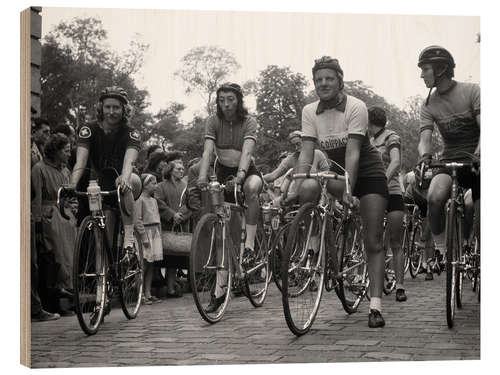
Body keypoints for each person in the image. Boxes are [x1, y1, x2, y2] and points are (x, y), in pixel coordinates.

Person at [296, 57, 388, 328]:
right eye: (318, 80)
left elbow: (353, 151)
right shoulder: (310, 111)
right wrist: (300, 177)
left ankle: (375, 305)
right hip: (338, 173)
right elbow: (307, 151)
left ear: (339, 80)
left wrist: (349, 188)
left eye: (329, 79)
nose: (323, 84)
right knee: (310, 185)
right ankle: (316, 243)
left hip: (368, 174)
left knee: (373, 240)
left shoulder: (356, 106)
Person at [197, 82, 263, 313]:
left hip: (246, 171)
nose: (226, 104)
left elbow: (247, 152)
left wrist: (242, 176)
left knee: (252, 189)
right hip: (223, 171)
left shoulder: (249, 121)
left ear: (239, 101)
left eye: (231, 99)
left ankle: (251, 244)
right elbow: (207, 151)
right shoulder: (213, 121)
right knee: (223, 235)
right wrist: (203, 175)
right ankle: (219, 291)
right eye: (222, 99)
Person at [416, 46, 480, 267]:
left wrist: (480, 154)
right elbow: (425, 137)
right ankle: (444, 251)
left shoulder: (472, 91)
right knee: (434, 197)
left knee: (479, 205)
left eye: (425, 69)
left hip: (476, 158)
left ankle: (472, 243)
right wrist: (425, 156)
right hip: (449, 159)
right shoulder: (429, 104)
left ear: (441, 69)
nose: (422, 74)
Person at [70, 86, 142, 253]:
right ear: (101, 107)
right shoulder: (88, 129)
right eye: (107, 107)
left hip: (128, 180)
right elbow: (80, 161)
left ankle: (129, 238)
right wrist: (72, 184)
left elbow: (129, 161)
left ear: (124, 110)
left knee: (122, 182)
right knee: (102, 243)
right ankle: (103, 273)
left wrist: (124, 177)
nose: (111, 111)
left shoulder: (131, 133)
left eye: (116, 107)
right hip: (101, 183)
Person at [31, 134, 77, 316]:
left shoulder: (65, 171)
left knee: (69, 259)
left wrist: (73, 205)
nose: (69, 154)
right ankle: (54, 304)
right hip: (49, 218)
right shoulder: (39, 169)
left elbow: (71, 195)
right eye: (65, 151)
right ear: (55, 151)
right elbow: (36, 199)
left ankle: (67, 303)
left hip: (67, 219)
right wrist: (37, 223)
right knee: (55, 261)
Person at [368, 106, 407, 302]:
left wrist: (381, 181)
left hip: (391, 192)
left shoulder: (391, 137)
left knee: (395, 241)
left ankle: (400, 286)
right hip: (372, 195)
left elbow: (396, 162)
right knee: (371, 241)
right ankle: (370, 280)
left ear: (369, 122)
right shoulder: (366, 141)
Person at [30, 108, 60, 322]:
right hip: (34, 208)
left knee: (34, 263)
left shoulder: (35, 149)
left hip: (33, 210)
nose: (32, 128)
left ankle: (34, 306)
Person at [156, 159, 191, 297]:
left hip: (182, 226)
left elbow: (192, 202)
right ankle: (168, 287)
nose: (181, 171)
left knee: (178, 258)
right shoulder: (160, 186)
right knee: (168, 258)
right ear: (170, 170)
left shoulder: (187, 186)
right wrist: (172, 215)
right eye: (178, 169)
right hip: (167, 226)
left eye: (183, 169)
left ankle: (172, 286)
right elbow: (158, 202)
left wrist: (181, 215)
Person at [263, 130, 328, 206]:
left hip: (316, 192)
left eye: (298, 144)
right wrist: (259, 177)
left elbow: (327, 172)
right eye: (293, 145)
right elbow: (273, 175)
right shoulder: (292, 158)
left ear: (304, 142)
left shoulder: (317, 153)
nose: (296, 148)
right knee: (273, 206)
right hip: (295, 193)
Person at [135, 173, 163, 304]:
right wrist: (143, 237)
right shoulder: (139, 200)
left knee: (151, 264)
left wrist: (159, 234)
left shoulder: (153, 201)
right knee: (143, 265)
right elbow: (138, 220)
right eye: (153, 183)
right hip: (146, 234)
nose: (156, 186)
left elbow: (157, 219)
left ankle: (148, 292)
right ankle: (140, 294)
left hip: (154, 233)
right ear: (145, 185)